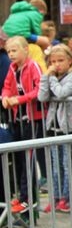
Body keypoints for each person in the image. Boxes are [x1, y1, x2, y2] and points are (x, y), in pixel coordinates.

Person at [2, 36, 45, 214]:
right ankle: (22, 196)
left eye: (14, 50)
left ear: (26, 50)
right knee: (19, 158)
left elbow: (39, 90)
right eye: (9, 51)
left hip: (33, 118)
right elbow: (6, 86)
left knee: (29, 159)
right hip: (18, 118)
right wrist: (5, 97)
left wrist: (19, 99)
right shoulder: (12, 68)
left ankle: (28, 199)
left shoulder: (33, 66)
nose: (11, 54)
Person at [37, 44, 72, 213]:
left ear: (70, 60)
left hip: (68, 127)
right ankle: (55, 198)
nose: (56, 65)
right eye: (53, 61)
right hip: (53, 128)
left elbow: (62, 93)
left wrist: (51, 79)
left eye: (61, 60)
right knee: (55, 166)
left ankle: (66, 199)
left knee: (66, 164)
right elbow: (42, 96)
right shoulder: (52, 78)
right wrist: (45, 77)